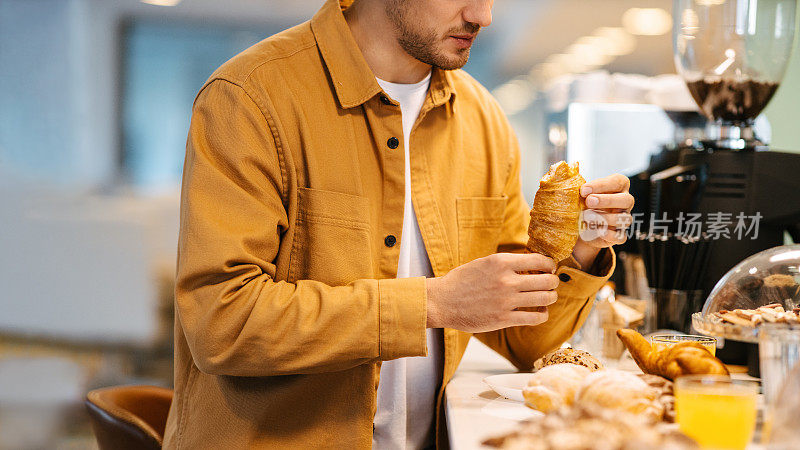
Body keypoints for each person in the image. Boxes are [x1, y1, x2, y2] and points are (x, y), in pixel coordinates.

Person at [162, 0, 633, 449]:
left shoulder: (484, 120)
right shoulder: (250, 98)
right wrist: (432, 304)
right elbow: (222, 322)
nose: (482, 15)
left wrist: (581, 250)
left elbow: (523, 339)